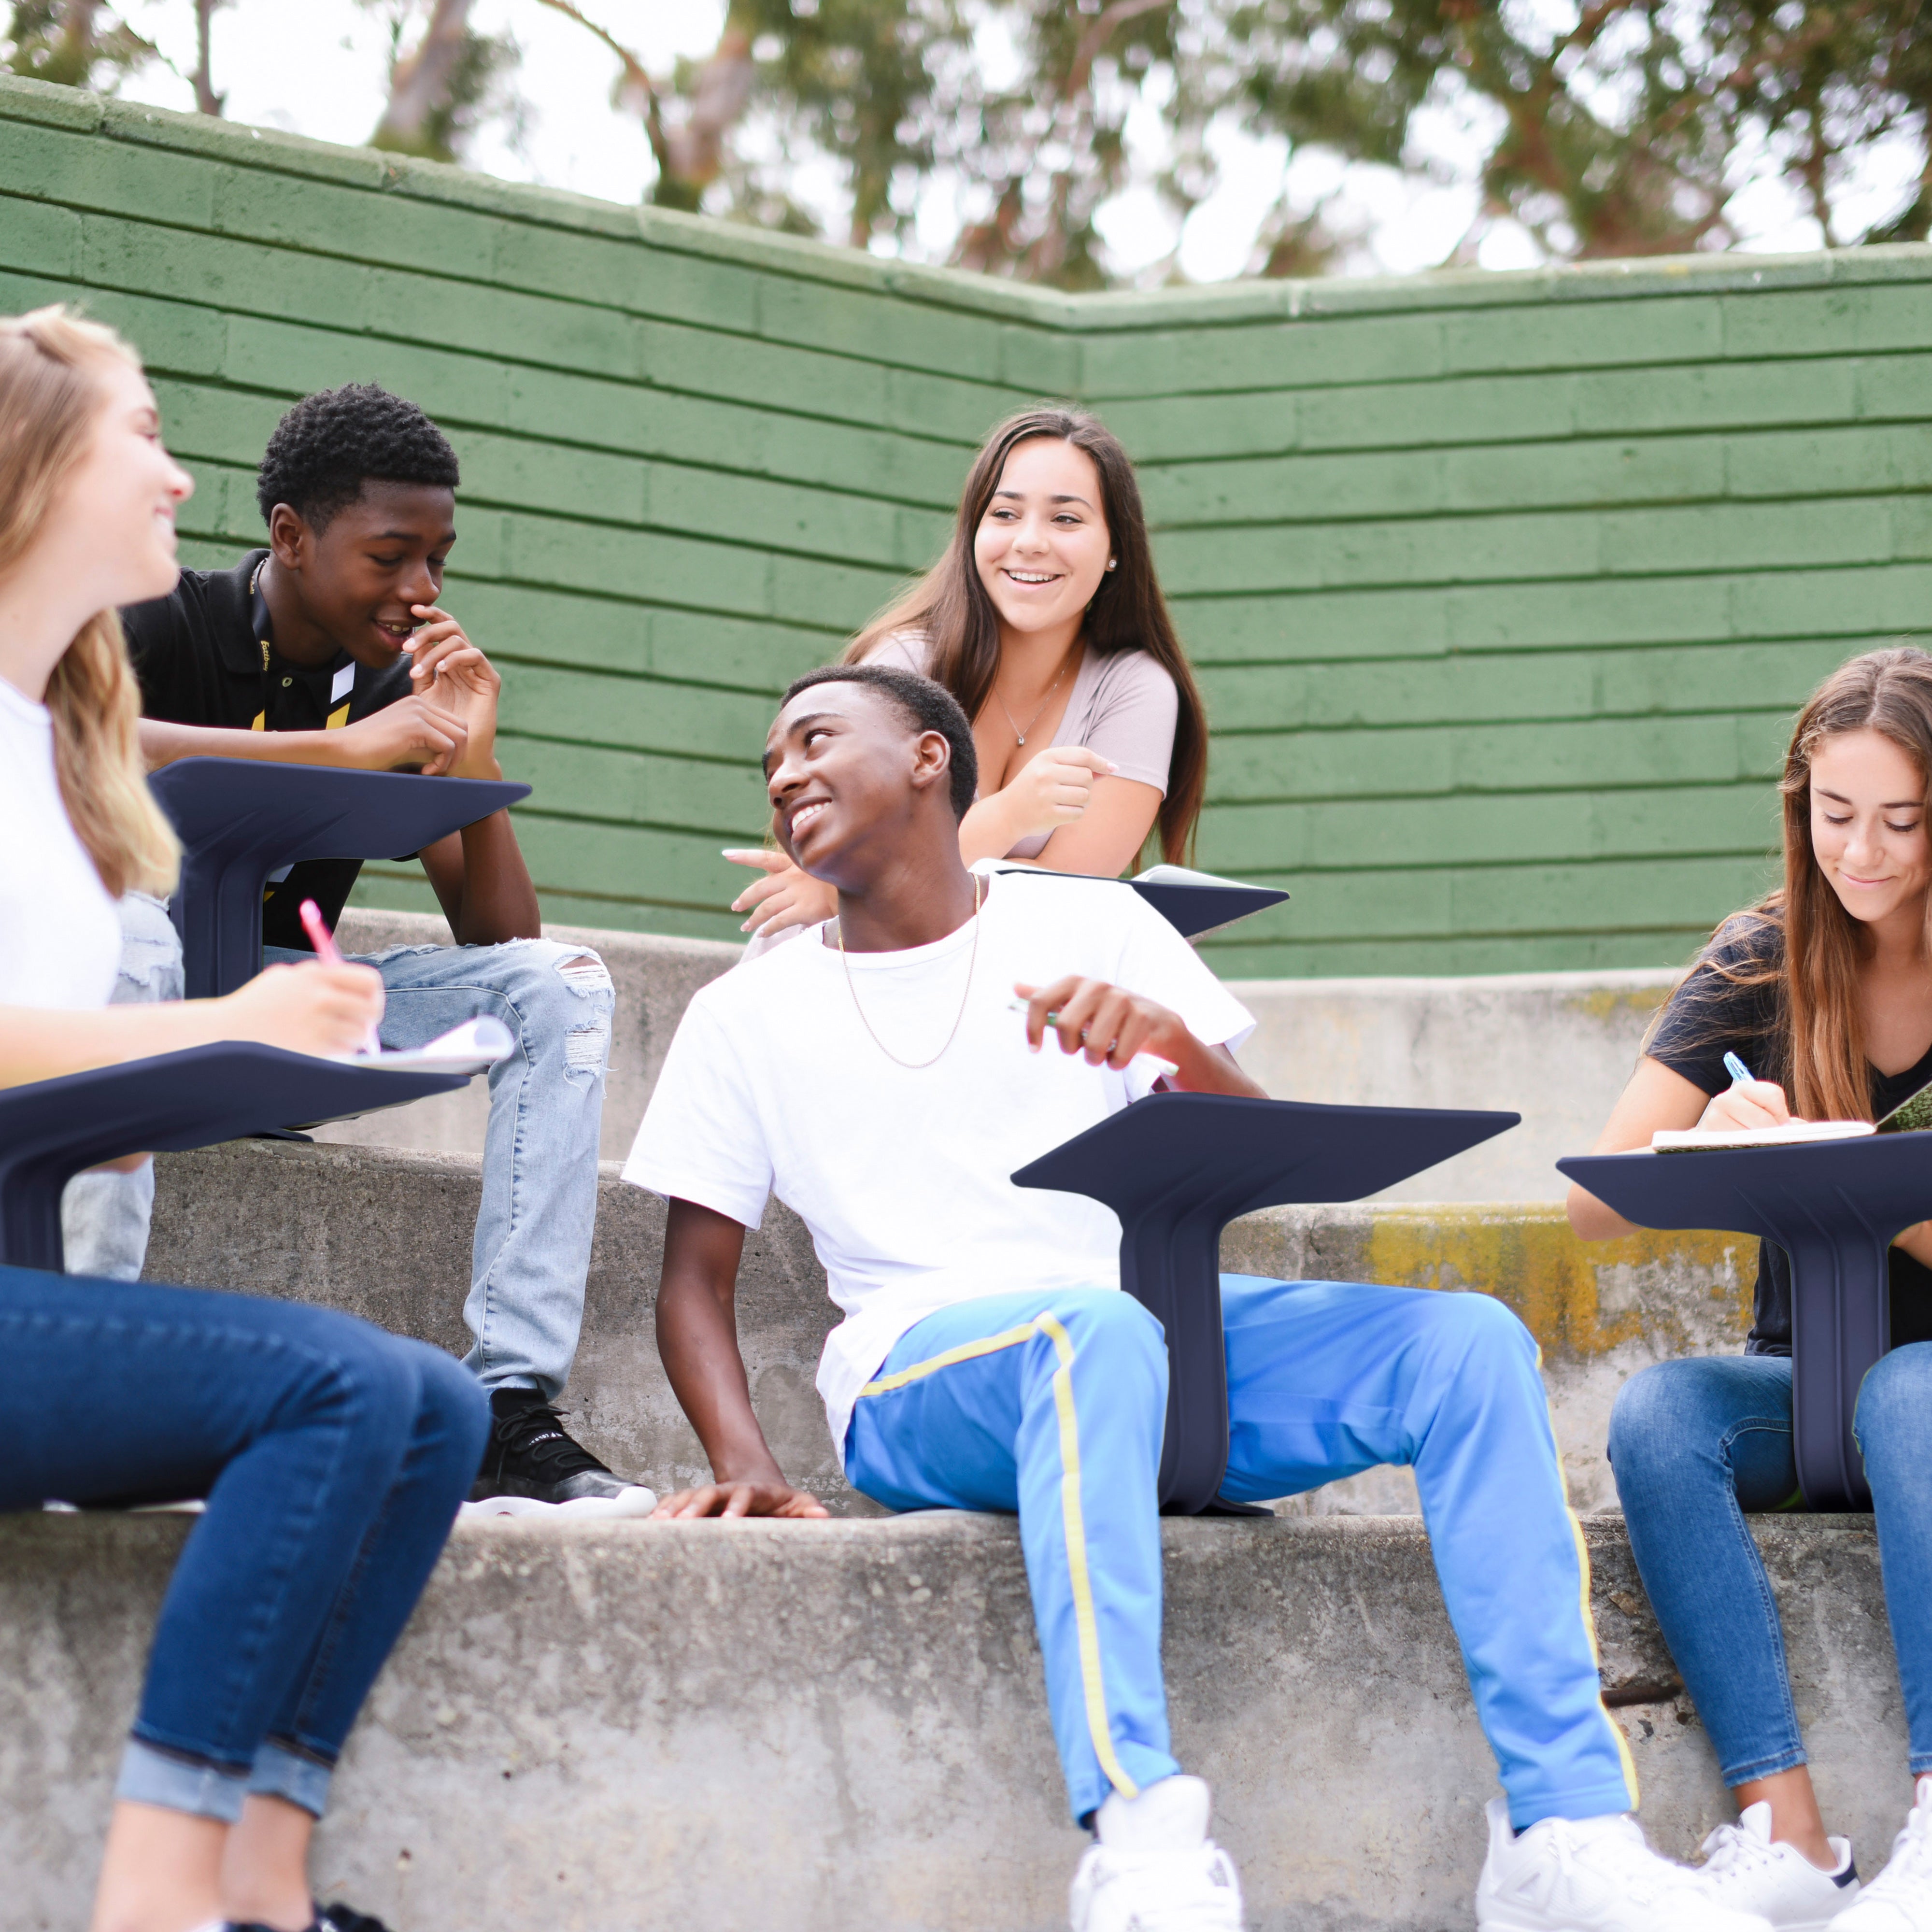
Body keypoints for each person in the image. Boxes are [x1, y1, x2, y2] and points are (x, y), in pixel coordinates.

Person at [625, 661, 1766, 1932]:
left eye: (815, 740)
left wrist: (1168, 1041)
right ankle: (1140, 1834)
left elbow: (1262, 1152)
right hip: (922, 1378)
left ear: (930, 758)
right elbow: (693, 1279)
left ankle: (1566, 1831)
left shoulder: (1096, 926)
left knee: (1465, 1344)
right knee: (1091, 1332)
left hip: (1145, 1346)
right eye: (771, 762)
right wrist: (745, 1456)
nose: (784, 774)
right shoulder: (747, 1013)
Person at [0, 303, 487, 1932]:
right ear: (33, 467)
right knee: (339, 1386)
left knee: (436, 1409)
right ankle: (154, 1904)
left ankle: (269, 1889)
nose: (183, 478)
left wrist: (234, 1064)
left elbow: (80, 1106)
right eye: (145, 435)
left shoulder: (59, 757)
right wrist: (223, 1023)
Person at [110, 380, 652, 1518]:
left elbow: (498, 942)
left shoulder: (405, 687)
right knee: (130, 935)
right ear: (291, 535)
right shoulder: (163, 617)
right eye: (392, 556)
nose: (422, 591)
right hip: (130, 1001)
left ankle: (509, 1409)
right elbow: (79, 744)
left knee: (559, 986)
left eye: (439, 561)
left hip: (284, 1002)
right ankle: (82, 1371)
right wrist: (351, 750)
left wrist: (470, 762)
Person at [1574, 646, 1932, 1932]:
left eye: (1903, 819)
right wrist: (1716, 1147)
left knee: (1911, 1394)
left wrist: (1867, 1179)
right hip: (1805, 1381)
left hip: (1923, 1392)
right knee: (1662, 1416)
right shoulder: (1764, 955)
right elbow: (1595, 1198)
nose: (1867, 852)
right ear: (1800, 804)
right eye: (1838, 816)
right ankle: (1787, 1834)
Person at [724, 405, 1208, 944]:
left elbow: (1066, 897)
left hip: (1004, 984)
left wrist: (875, 877)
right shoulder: (902, 666)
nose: (1029, 541)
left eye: (1065, 519)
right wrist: (1009, 816)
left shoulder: (1135, 688)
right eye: (1004, 514)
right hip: (844, 972)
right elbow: (862, 875)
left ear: (1116, 546)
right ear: (973, 531)